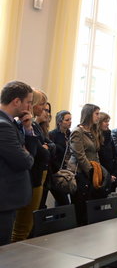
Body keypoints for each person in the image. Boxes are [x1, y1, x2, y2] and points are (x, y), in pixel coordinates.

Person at [11, 89, 52, 242]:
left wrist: (45, 148)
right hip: (29, 178)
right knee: (21, 228)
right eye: (41, 104)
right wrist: (44, 148)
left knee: (27, 227)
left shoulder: (34, 126)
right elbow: (35, 154)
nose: (43, 108)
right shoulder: (22, 124)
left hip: (37, 178)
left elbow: (46, 151)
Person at [0, 81, 34, 246]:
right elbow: (24, 161)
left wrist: (27, 129)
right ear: (16, 101)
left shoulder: (12, 123)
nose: (30, 106)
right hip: (4, 200)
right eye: (28, 101)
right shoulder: (3, 126)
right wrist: (26, 153)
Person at [67, 103, 105, 225]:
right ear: (89, 114)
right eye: (96, 114)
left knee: (91, 210)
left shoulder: (93, 131)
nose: (98, 117)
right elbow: (80, 156)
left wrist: (99, 172)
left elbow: (95, 154)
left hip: (91, 174)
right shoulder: (77, 132)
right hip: (80, 175)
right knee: (81, 210)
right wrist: (92, 171)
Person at [48, 110, 72, 205]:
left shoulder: (70, 134)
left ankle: (59, 219)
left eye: (70, 119)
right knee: (63, 201)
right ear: (59, 121)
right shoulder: (52, 134)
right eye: (67, 120)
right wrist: (57, 169)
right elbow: (51, 155)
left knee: (63, 202)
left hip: (68, 172)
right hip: (56, 171)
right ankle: (58, 219)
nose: (70, 122)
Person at [98, 112, 117, 192]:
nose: (108, 124)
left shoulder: (109, 135)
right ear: (99, 122)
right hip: (101, 174)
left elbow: (116, 155)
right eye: (105, 121)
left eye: (108, 121)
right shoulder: (95, 137)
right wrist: (107, 176)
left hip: (112, 174)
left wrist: (114, 174)